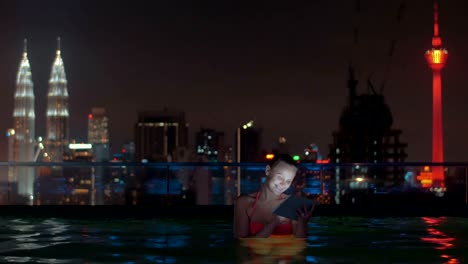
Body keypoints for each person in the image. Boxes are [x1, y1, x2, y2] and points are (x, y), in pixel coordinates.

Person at [234, 154, 315, 239]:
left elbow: (300, 243)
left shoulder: (292, 204)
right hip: (256, 252)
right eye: (280, 177)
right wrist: (273, 224)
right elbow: (241, 243)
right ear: (268, 171)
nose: (283, 184)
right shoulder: (244, 203)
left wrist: (302, 223)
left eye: (288, 181)